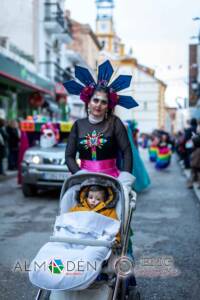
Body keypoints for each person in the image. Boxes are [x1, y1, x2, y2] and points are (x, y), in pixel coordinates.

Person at [64, 60, 138, 180]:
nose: (98, 105)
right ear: (88, 101)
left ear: (108, 106)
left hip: (111, 180)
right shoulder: (78, 125)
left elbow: (127, 152)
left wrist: (125, 178)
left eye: (104, 102)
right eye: (95, 100)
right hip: (83, 181)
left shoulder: (115, 123)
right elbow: (69, 156)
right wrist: (79, 175)